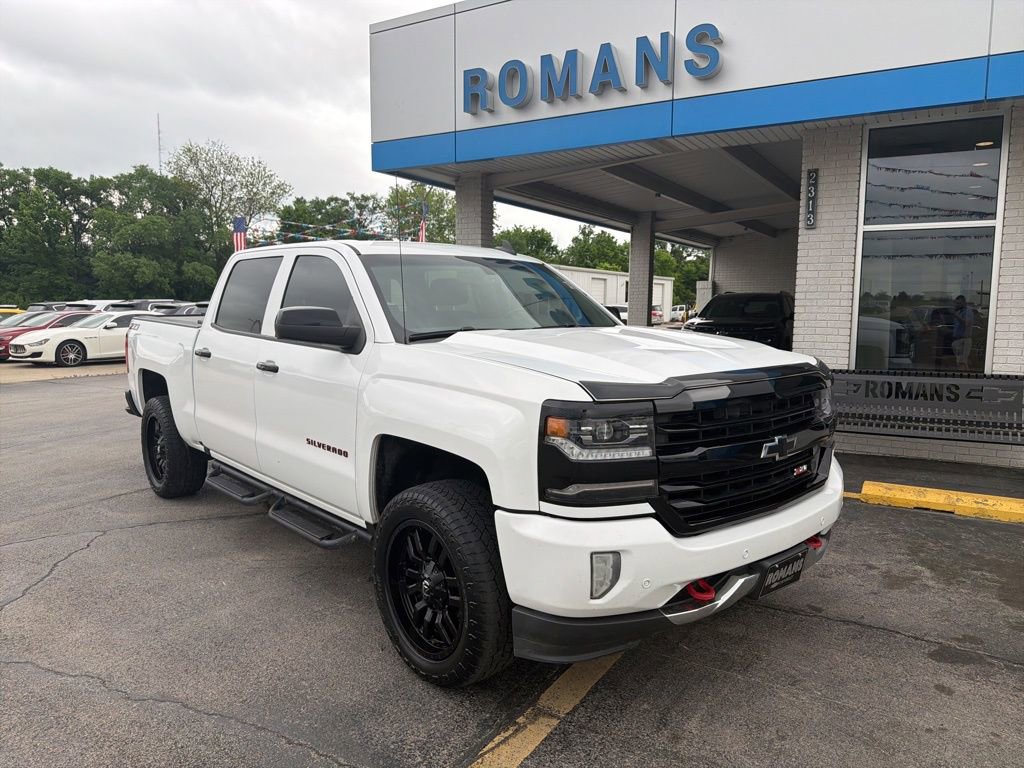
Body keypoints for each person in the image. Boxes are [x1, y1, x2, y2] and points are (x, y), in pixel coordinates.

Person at [951, 295, 974, 371]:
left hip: (964, 340)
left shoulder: (968, 311)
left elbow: (967, 324)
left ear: (964, 303)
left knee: (962, 362)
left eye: (959, 303)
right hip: (957, 340)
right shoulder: (959, 311)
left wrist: (956, 315)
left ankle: (963, 378)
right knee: (960, 362)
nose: (957, 305)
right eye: (956, 303)